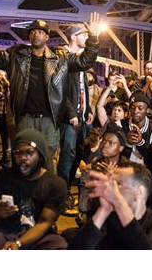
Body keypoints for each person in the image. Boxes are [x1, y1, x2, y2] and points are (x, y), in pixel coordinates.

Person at [0, 7, 101, 173]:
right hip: (25, 118)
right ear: (29, 35)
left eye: (40, 32)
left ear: (47, 37)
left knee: (49, 163)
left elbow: (85, 61)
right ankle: (24, 197)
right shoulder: (16, 55)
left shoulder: (61, 57)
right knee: (23, 162)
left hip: (50, 120)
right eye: (33, 31)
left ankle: (47, 196)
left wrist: (93, 37)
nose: (36, 34)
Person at [0, 129, 68, 250]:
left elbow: (44, 223)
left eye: (29, 152)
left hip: (38, 235)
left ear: (40, 155)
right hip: (5, 231)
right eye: (18, 153)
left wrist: (18, 244)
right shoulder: (3, 177)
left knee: (59, 246)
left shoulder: (55, 184)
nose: (23, 158)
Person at [69, 162, 152, 250]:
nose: (110, 188)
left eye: (118, 183)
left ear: (138, 192)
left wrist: (118, 202)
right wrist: (103, 210)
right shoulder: (110, 218)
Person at [58, 24, 95, 213]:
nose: (87, 38)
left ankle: (65, 192)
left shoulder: (79, 59)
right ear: (74, 37)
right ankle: (61, 197)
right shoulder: (63, 57)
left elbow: (82, 87)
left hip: (81, 116)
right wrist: (70, 113)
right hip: (69, 119)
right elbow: (60, 91)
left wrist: (87, 108)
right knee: (67, 156)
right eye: (85, 35)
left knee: (78, 154)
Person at [122, 92, 152, 173]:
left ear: (148, 110)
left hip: (146, 174)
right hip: (123, 172)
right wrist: (126, 142)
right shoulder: (120, 125)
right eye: (132, 108)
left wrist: (140, 143)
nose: (135, 111)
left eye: (140, 108)